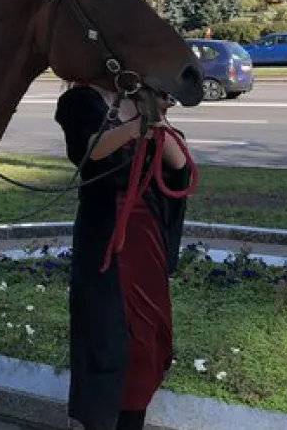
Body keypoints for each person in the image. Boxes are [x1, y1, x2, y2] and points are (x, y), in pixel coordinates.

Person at [54, 82, 197, 430]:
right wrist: (137, 127)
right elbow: (89, 151)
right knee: (106, 337)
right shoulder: (80, 100)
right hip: (104, 236)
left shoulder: (142, 99)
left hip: (146, 238)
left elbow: (182, 168)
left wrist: (157, 122)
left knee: (144, 343)